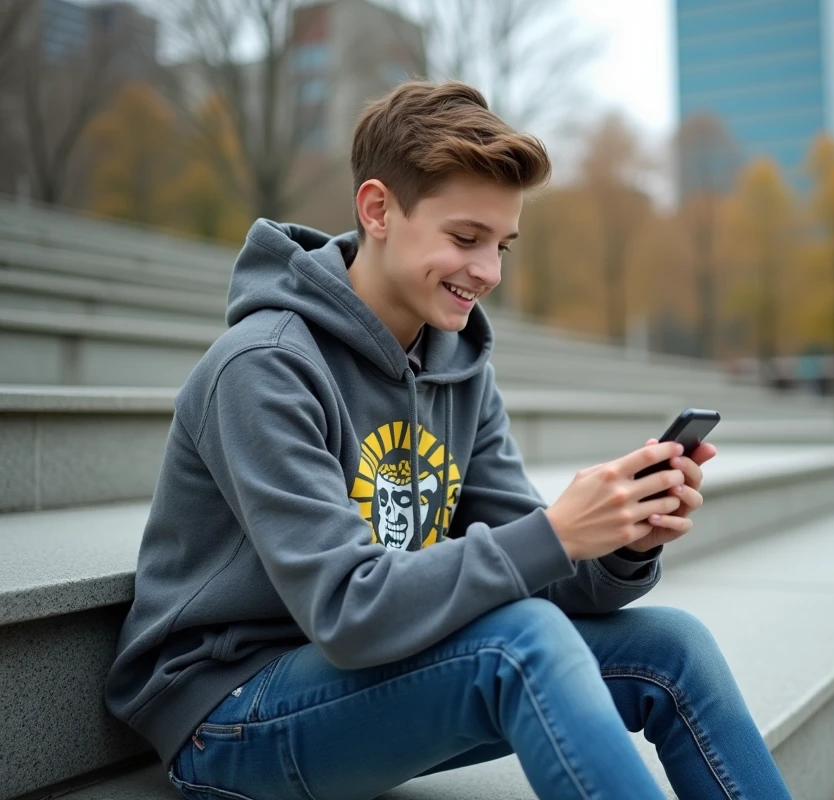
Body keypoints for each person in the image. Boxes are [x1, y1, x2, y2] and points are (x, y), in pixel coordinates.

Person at [104, 81, 791, 800]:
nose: (488, 271)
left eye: (501, 245)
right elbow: (347, 610)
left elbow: (538, 572)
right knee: (520, 641)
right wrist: (553, 531)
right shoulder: (263, 366)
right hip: (230, 714)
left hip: (375, 678)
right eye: (465, 239)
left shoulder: (456, 366)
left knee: (672, 646)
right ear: (377, 210)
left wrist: (623, 537)